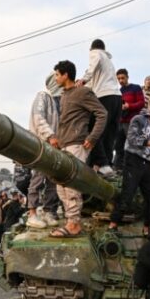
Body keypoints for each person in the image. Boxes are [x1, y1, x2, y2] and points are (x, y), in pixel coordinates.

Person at [51, 59, 106, 238]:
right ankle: (70, 221)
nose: (55, 78)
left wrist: (92, 137)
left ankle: (74, 224)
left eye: (57, 74)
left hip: (77, 144)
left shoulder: (83, 92)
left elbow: (102, 113)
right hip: (63, 144)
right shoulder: (64, 95)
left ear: (66, 75)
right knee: (61, 186)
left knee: (71, 185)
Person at [108, 106, 150, 233]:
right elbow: (132, 138)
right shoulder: (138, 119)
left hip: (147, 161)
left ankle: (147, 227)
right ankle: (113, 224)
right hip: (132, 159)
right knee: (128, 193)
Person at [76, 39, 121, 176]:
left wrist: (83, 79)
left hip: (104, 96)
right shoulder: (109, 62)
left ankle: (101, 163)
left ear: (91, 49)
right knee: (109, 134)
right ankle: (107, 164)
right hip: (117, 97)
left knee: (95, 129)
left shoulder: (96, 54)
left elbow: (92, 67)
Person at [26, 73, 62, 230]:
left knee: (53, 180)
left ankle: (49, 211)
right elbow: (38, 118)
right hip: (41, 144)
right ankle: (32, 213)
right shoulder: (43, 96)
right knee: (38, 179)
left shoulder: (57, 101)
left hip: (53, 147)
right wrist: (50, 135)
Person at [114, 68, 145, 170]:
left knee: (132, 146)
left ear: (127, 77)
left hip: (132, 123)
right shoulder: (118, 91)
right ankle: (117, 168)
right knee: (118, 146)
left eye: (122, 78)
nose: (121, 80)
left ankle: (133, 168)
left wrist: (129, 106)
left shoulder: (135, 88)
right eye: (118, 79)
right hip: (120, 122)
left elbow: (141, 103)